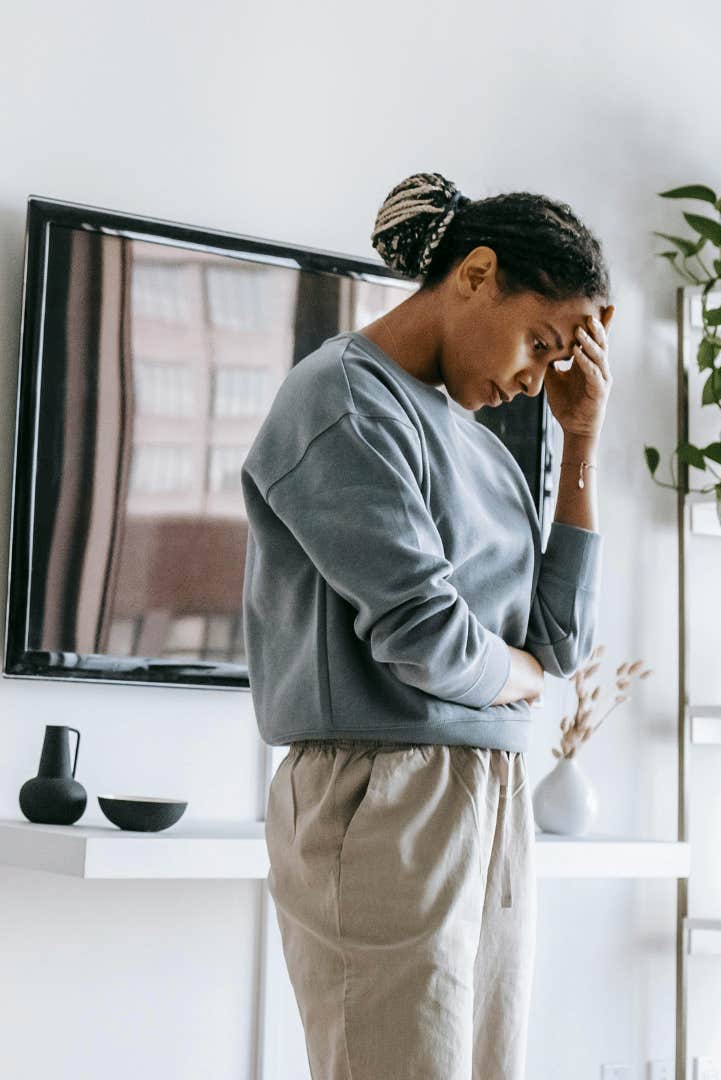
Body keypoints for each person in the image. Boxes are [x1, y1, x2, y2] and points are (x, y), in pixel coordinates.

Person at [242, 173, 611, 1080]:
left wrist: (582, 444)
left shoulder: (481, 441)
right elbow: (425, 638)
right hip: (384, 796)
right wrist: (523, 680)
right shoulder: (341, 400)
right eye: (540, 341)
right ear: (476, 274)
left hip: (489, 793)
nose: (536, 378)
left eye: (560, 358)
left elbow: (558, 641)